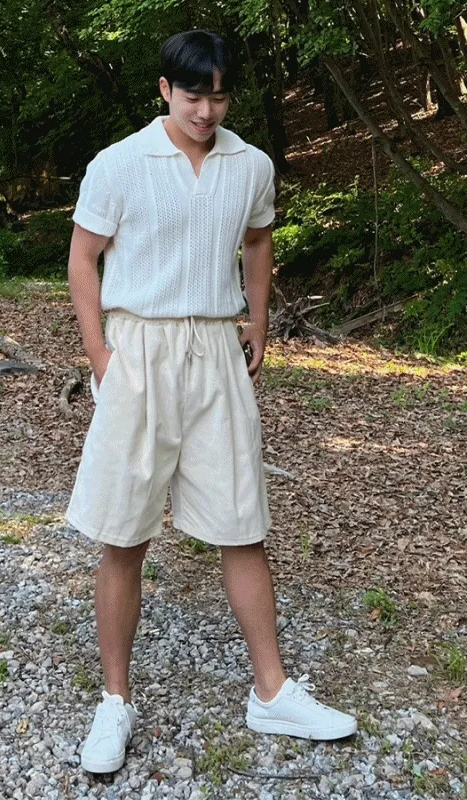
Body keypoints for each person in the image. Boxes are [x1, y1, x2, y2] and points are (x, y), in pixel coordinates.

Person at [65, 29, 357, 775]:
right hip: (140, 350)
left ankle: (272, 691)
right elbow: (83, 258)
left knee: (241, 520)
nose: (206, 112)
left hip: (215, 352)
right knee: (124, 532)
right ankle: (115, 701)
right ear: (165, 89)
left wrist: (257, 318)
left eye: (220, 97)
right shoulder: (119, 163)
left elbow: (258, 240)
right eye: (194, 96)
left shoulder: (250, 164)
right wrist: (100, 355)